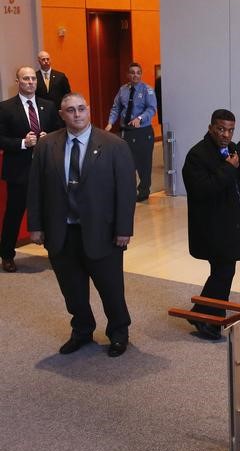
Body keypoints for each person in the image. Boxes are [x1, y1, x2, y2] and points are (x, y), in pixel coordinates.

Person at [27, 93, 136, 357]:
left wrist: (124, 229)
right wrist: (36, 225)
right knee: (73, 291)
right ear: (62, 115)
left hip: (103, 233)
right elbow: (36, 188)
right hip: (61, 233)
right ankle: (82, 330)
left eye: (81, 109)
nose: (77, 114)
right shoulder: (46, 145)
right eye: (70, 110)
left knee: (111, 290)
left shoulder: (114, 145)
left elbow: (126, 191)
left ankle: (118, 332)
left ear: (89, 111)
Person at [182, 110, 240, 340]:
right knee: (224, 270)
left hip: (232, 223)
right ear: (210, 128)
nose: (226, 134)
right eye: (221, 129)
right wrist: (228, 168)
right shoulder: (197, 155)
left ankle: (212, 317)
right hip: (212, 227)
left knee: (224, 271)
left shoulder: (233, 149)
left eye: (230, 130)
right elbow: (202, 190)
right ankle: (204, 316)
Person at [0, 66, 59, 273]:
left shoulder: (48, 106)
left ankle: (55, 252)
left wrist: (48, 138)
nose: (31, 82)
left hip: (46, 170)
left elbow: (60, 132)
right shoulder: (5, 108)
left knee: (51, 212)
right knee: (14, 214)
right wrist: (23, 143)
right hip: (19, 170)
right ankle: (7, 255)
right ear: (18, 82)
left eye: (33, 78)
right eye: (26, 79)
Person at [105, 62, 157, 202]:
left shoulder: (147, 90)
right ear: (128, 75)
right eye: (132, 72)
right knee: (128, 162)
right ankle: (129, 190)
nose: (135, 75)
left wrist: (140, 118)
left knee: (143, 163)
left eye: (138, 72)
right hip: (126, 131)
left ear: (141, 74)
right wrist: (110, 123)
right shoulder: (123, 90)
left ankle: (144, 191)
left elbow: (151, 109)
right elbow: (116, 107)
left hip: (142, 131)